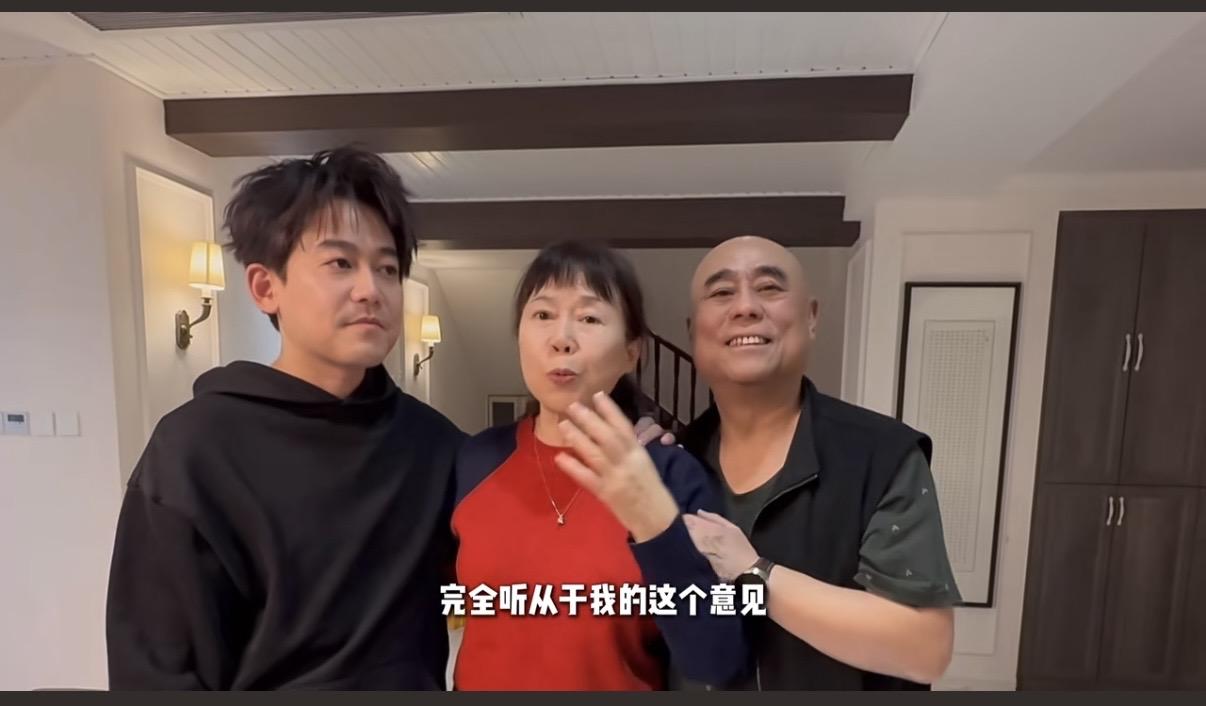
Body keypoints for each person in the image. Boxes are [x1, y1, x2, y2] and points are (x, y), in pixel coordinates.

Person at [105, 148, 467, 689]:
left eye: (388, 268)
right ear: (265, 287)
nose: (371, 290)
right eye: (340, 263)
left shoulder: (434, 445)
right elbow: (155, 669)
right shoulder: (195, 448)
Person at [450, 241, 748, 690]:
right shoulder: (475, 460)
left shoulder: (671, 476)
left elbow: (716, 661)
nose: (561, 339)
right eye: (543, 314)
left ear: (632, 352)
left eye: (589, 318)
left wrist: (653, 523)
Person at [678, 235, 960, 690]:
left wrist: (755, 573)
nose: (745, 307)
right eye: (722, 292)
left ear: (811, 317)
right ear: (693, 331)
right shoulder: (671, 464)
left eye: (769, 288)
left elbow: (925, 649)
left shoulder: (880, 455)